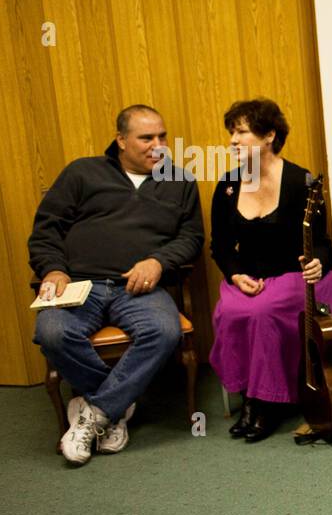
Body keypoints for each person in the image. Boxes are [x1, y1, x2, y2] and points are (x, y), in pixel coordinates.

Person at [29, 105, 204, 466]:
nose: (158, 145)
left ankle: (93, 413)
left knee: (164, 331)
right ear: (121, 140)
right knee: (52, 332)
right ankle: (116, 407)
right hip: (80, 284)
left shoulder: (179, 181)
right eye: (146, 138)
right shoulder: (83, 172)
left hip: (138, 287)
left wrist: (159, 261)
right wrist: (53, 269)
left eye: (162, 136)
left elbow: (191, 238)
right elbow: (47, 228)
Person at [209, 98, 332, 442]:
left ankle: (264, 404)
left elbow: (323, 242)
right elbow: (219, 247)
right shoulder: (226, 186)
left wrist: (317, 261)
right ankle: (252, 397)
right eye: (231, 133)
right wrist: (236, 275)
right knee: (231, 311)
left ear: (269, 136)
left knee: (264, 313)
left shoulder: (302, 181)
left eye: (241, 132)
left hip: (292, 274)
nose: (233, 141)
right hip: (248, 276)